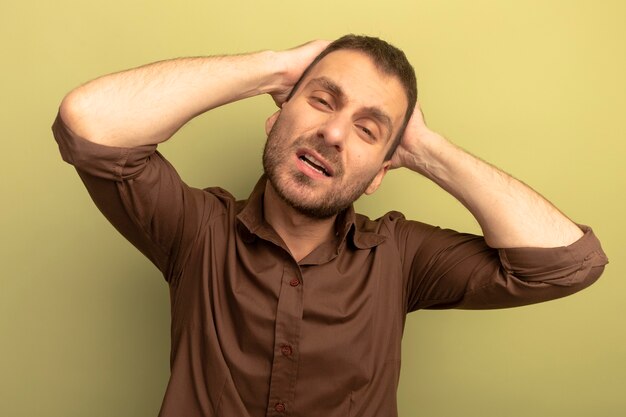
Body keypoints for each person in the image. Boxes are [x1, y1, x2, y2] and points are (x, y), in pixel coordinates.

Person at [53, 35, 608, 417]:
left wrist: (425, 148)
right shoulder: (198, 231)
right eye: (322, 101)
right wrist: (276, 67)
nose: (336, 135)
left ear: (379, 175)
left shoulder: (400, 255)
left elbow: (565, 264)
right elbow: (89, 124)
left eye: (368, 131)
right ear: (276, 117)